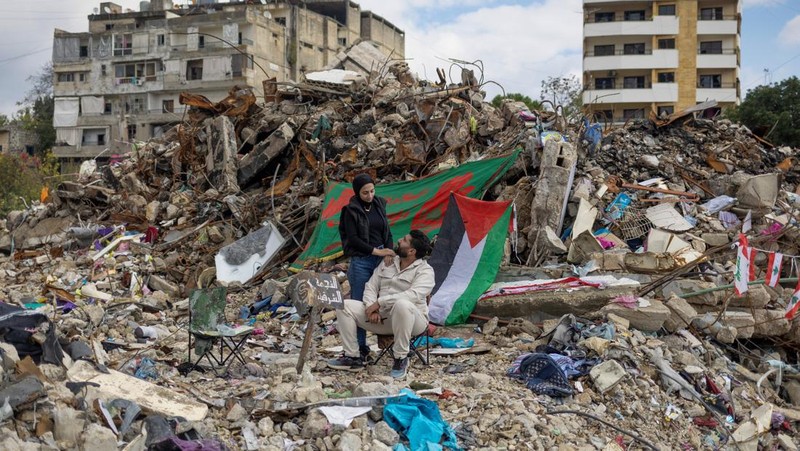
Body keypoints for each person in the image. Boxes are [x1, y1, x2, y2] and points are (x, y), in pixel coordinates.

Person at [328, 230, 434, 379]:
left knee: (402, 304)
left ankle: (400, 358)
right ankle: (352, 357)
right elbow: (371, 286)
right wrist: (371, 307)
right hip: (382, 318)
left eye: (404, 240)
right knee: (344, 305)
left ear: (411, 251)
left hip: (413, 322)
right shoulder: (388, 263)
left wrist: (379, 302)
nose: (399, 240)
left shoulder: (426, 271)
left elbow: (413, 295)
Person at [338, 173, 395, 361]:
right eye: (365, 193)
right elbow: (353, 239)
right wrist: (376, 252)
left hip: (382, 258)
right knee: (359, 303)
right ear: (357, 193)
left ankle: (391, 343)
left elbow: (387, 231)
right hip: (362, 260)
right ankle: (360, 347)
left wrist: (389, 251)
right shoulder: (350, 211)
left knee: (387, 298)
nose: (369, 196)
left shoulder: (379, 204)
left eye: (372, 191)